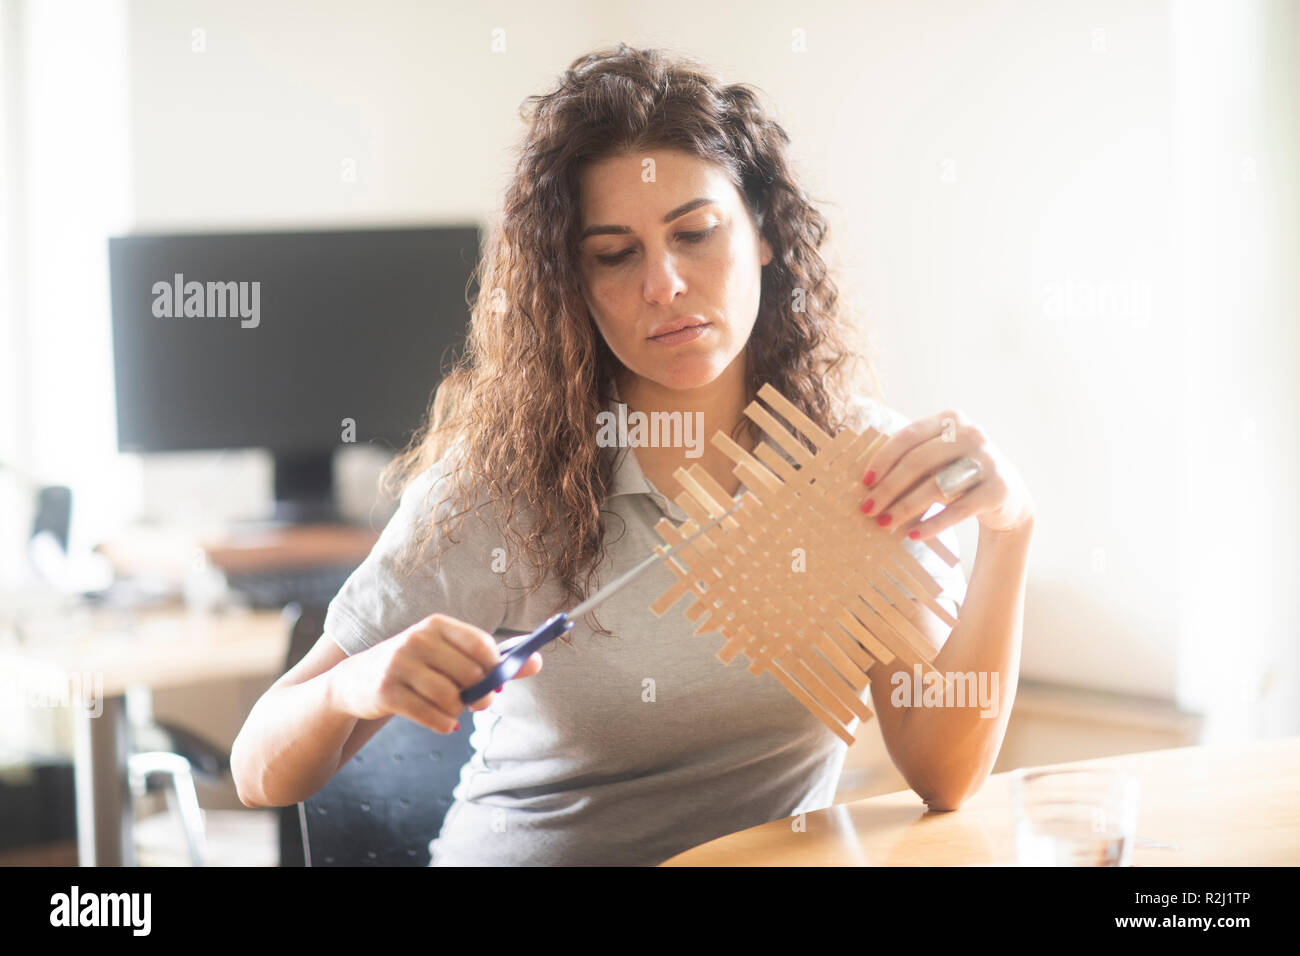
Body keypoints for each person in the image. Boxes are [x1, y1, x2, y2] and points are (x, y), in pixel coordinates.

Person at [231, 43, 1036, 866]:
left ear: (763, 234)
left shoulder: (854, 465)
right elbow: (260, 770)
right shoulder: (500, 493)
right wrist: (351, 686)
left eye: (695, 233)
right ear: (571, 285)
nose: (664, 284)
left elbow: (944, 774)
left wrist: (1010, 530)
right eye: (614, 255)